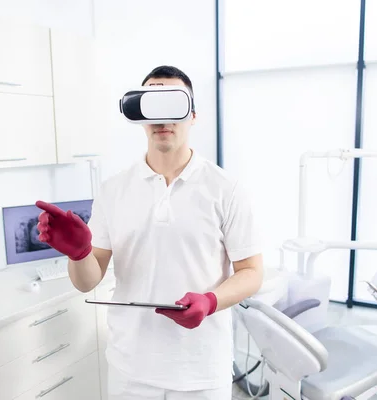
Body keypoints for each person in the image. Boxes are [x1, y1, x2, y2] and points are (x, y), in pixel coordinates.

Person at [35, 65, 264, 400]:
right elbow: (87, 281)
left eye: (174, 104)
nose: (163, 119)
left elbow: (252, 272)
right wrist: (79, 254)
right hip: (130, 370)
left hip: (201, 371)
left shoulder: (225, 188)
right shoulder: (114, 189)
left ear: (193, 115)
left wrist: (211, 301)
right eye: (152, 105)